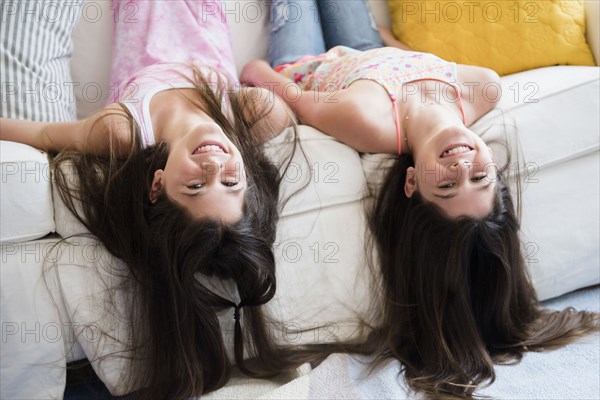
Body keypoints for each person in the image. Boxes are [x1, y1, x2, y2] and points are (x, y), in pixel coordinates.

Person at [241, 0, 599, 398]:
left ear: (411, 183)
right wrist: (385, 42)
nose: (461, 168)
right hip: (369, 51)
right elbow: (416, 62)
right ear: (494, 166)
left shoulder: (363, 119)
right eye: (479, 177)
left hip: (313, 65)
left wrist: (252, 75)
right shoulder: (484, 87)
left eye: (445, 187)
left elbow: (279, 85)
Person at [0, 1, 309, 398]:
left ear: (157, 185)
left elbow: (42, 135)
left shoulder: (123, 131)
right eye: (232, 182)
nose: (214, 166)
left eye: (195, 187)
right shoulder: (255, 113)